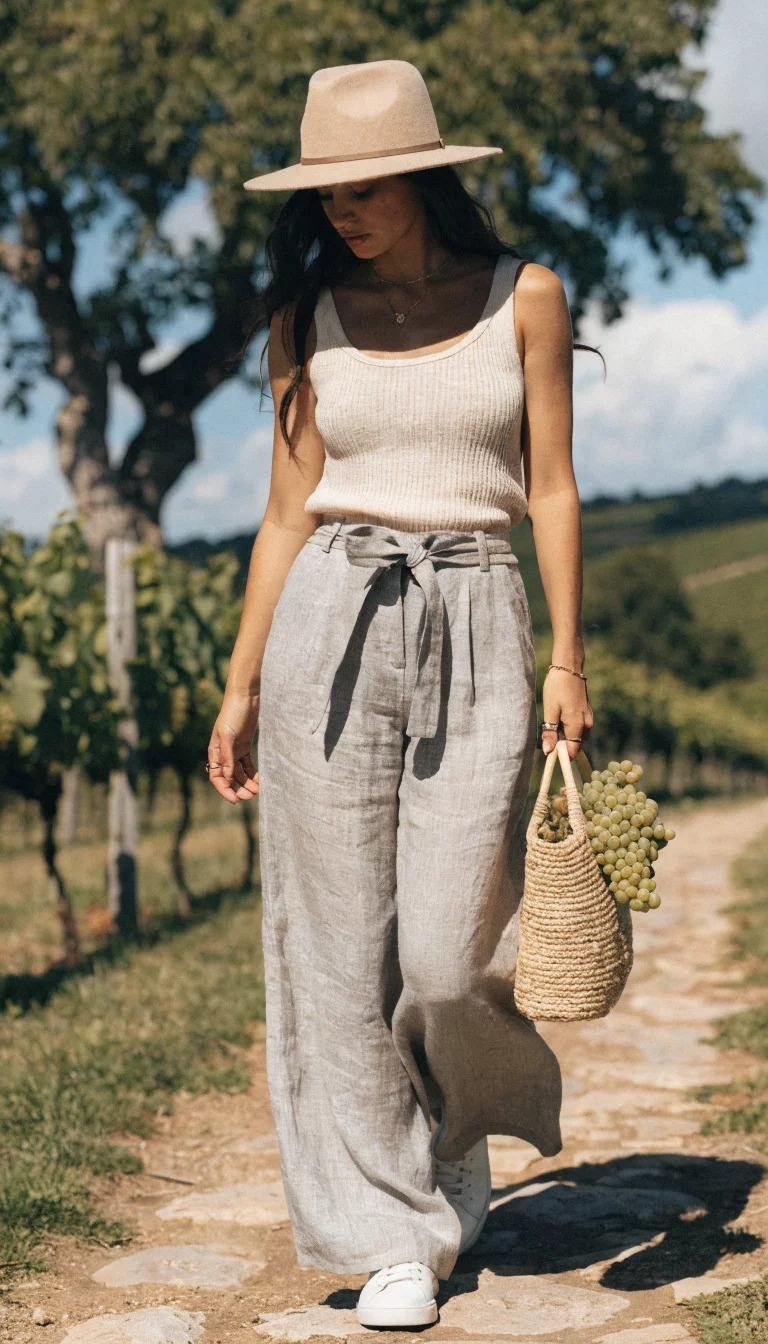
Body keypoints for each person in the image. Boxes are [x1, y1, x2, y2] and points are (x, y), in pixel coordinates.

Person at [208, 58, 594, 1330]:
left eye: (362, 188)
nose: (341, 212)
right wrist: (241, 676)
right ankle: (388, 1234)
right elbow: (280, 513)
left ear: (423, 178)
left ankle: (456, 1137)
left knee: (442, 950)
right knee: (335, 949)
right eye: (325, 194)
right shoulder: (303, 319)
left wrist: (568, 658)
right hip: (334, 613)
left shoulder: (521, 298)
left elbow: (548, 489)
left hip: (480, 616)